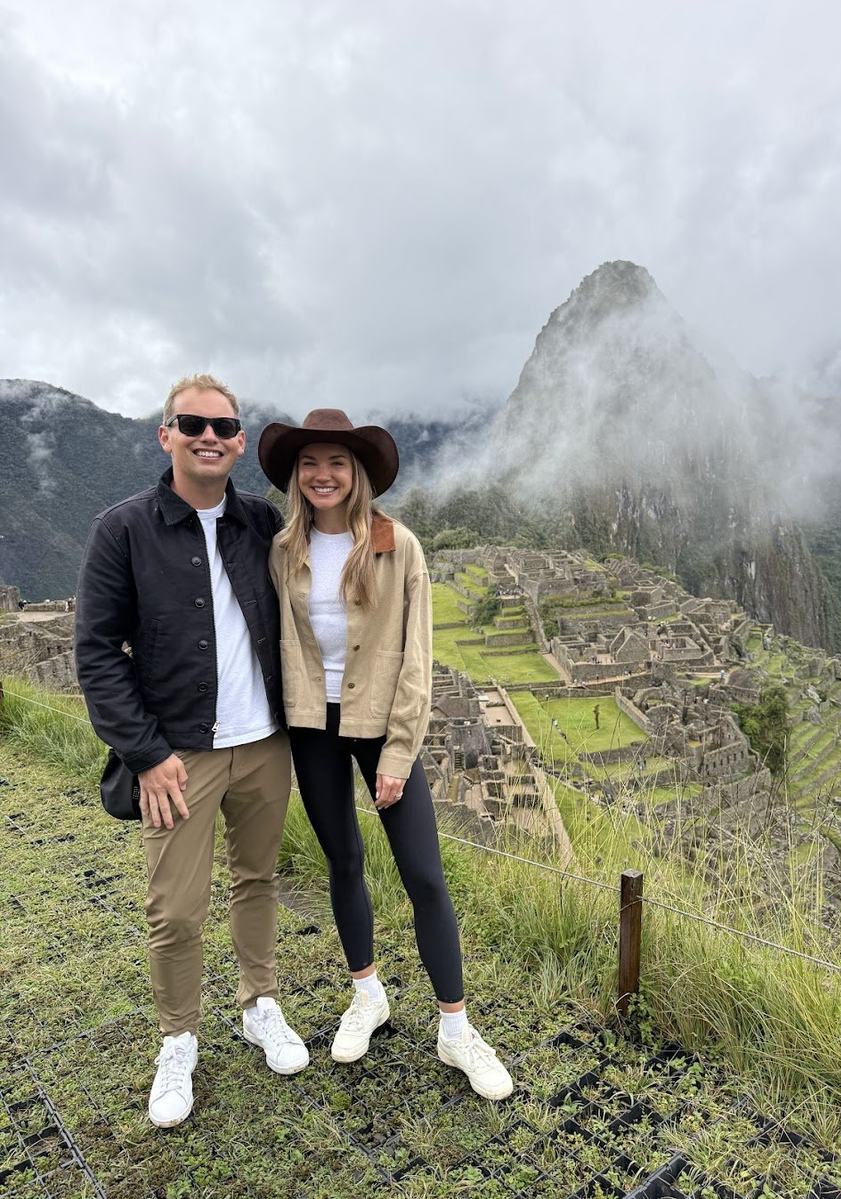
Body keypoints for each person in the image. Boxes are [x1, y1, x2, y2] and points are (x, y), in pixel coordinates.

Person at [259, 409, 513, 1101]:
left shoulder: (398, 545)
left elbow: (416, 658)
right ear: (296, 475)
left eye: (337, 463)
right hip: (312, 724)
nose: (323, 475)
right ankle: (366, 993)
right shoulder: (286, 549)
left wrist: (399, 750)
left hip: (380, 726)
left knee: (424, 874)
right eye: (311, 463)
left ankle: (456, 1028)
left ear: (358, 472)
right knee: (343, 860)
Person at [75, 374, 308, 1129]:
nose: (209, 436)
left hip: (265, 743)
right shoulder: (125, 529)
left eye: (224, 426)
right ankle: (177, 1038)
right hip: (180, 754)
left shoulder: (258, 521)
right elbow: (97, 651)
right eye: (193, 424)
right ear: (166, 433)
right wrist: (145, 753)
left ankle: (258, 1003)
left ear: (240, 440)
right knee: (175, 909)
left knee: (258, 879)